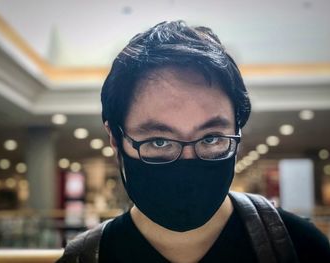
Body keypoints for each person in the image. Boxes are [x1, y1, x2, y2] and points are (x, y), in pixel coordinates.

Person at [57, 20, 330, 263]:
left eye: (211, 138)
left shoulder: (299, 246)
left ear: (237, 133)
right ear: (115, 139)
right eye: (160, 141)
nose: (188, 162)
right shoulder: (85, 258)